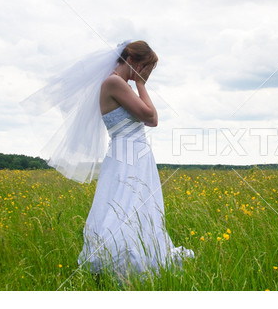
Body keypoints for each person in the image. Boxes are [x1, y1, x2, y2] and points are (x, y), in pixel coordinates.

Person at [20, 40, 194, 284]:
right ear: (131, 61)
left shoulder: (120, 84)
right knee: (126, 207)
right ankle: (119, 263)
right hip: (128, 156)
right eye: (145, 67)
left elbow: (148, 118)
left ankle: (135, 259)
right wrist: (142, 85)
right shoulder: (114, 83)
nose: (146, 73)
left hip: (133, 155)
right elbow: (151, 118)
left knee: (137, 207)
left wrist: (139, 83)